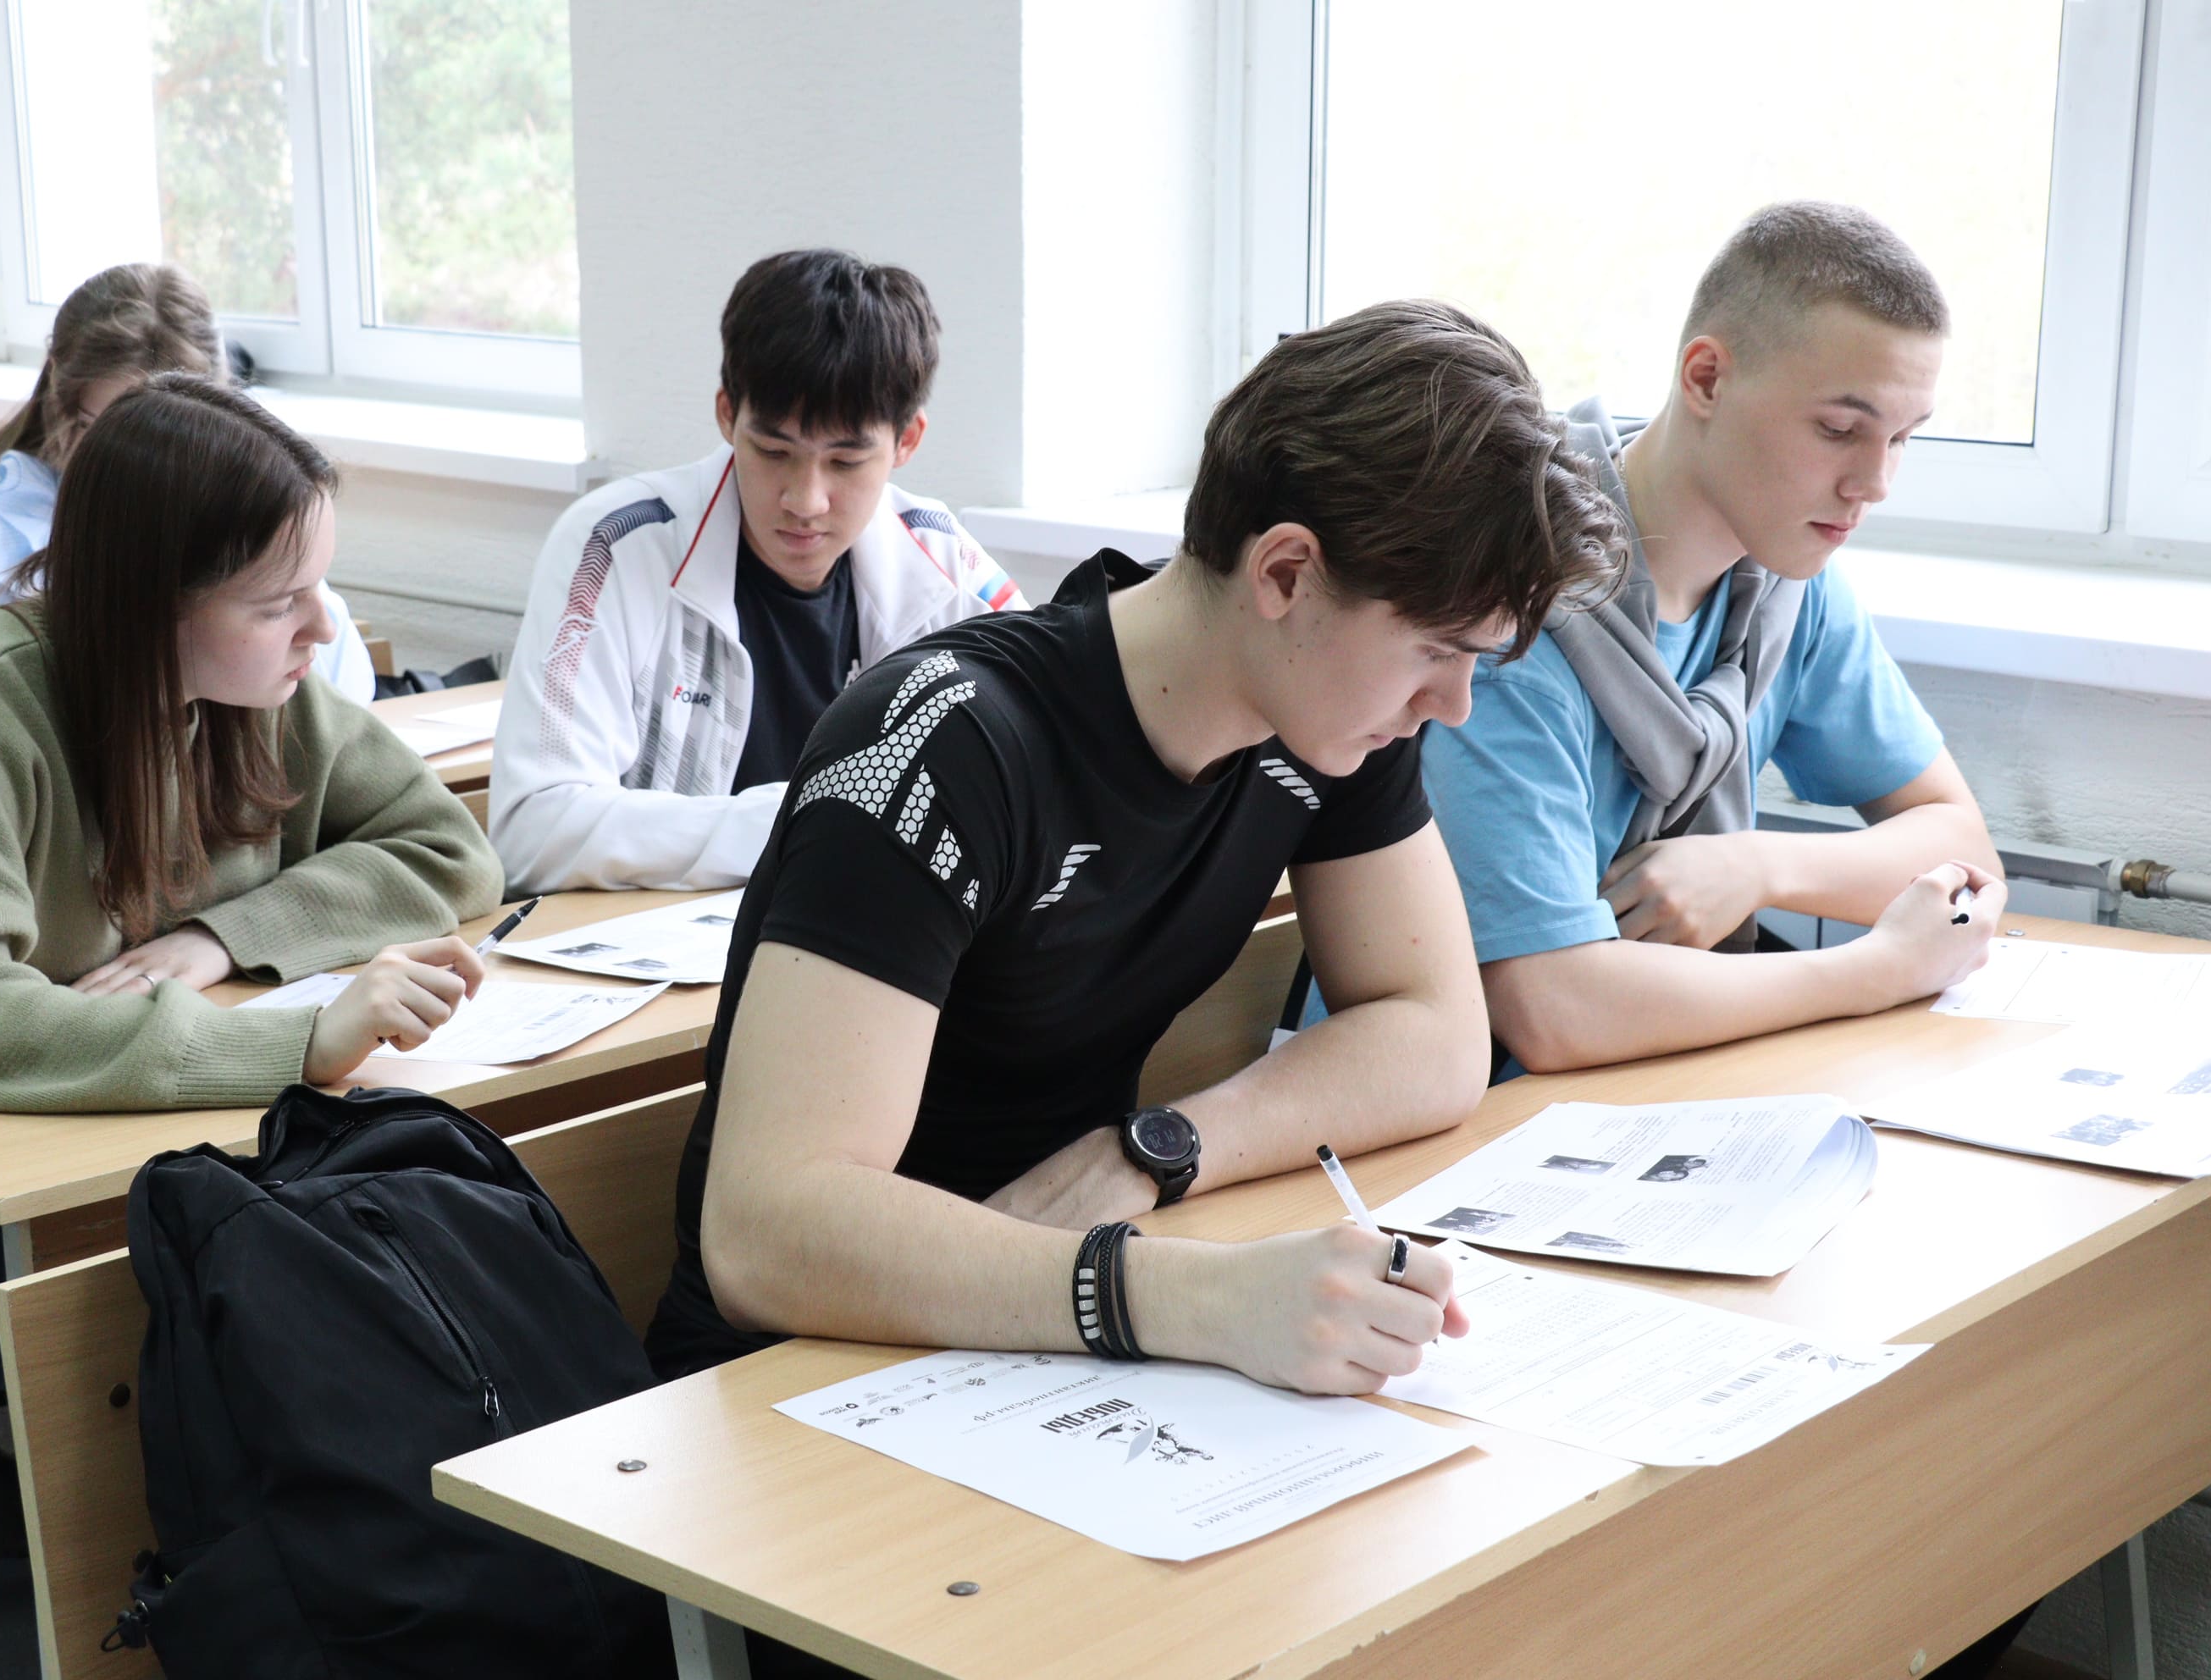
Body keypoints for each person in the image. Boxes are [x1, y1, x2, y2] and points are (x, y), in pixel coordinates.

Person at [645, 300, 1623, 1401]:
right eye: (1438, 650)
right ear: (1285, 575)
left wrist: (1152, 1151)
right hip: (803, 1377)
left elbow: (1437, 1039)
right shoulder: (942, 746)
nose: (1453, 705)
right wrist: (1196, 1297)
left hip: (1041, 1340)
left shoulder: (1328, 728)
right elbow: (766, 1236)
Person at [0, 373, 502, 1552]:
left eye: (321, 588)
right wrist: (296, 1040)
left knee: (388, 1234)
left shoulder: (256, 687)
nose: (322, 631)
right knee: (317, 1287)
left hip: (99, 1155)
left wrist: (224, 938)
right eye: (279, 602)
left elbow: (449, 851)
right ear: (153, 602)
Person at [1403, 202, 2004, 1076]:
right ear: (1708, 379)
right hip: (1472, 1108)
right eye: (1839, 429)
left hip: (1669, 1075)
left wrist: (1755, 867)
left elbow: (1962, 848)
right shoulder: (1508, 617)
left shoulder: (1788, 587)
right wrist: (1879, 969)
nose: (1875, 482)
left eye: (1903, 438)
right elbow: (1554, 1008)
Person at [488, 248, 1023, 894]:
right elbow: (532, 829)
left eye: (846, 463)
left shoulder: (946, 564)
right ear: (727, 415)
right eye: (773, 452)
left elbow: (1047, 768)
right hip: (658, 942)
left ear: (906, 441)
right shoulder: (617, 544)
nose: (805, 500)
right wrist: (815, 820)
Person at [0, 262, 375, 700]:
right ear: (64, 404)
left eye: (182, 442)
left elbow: (339, 683)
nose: (150, 468)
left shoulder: (250, 507)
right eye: (115, 430)